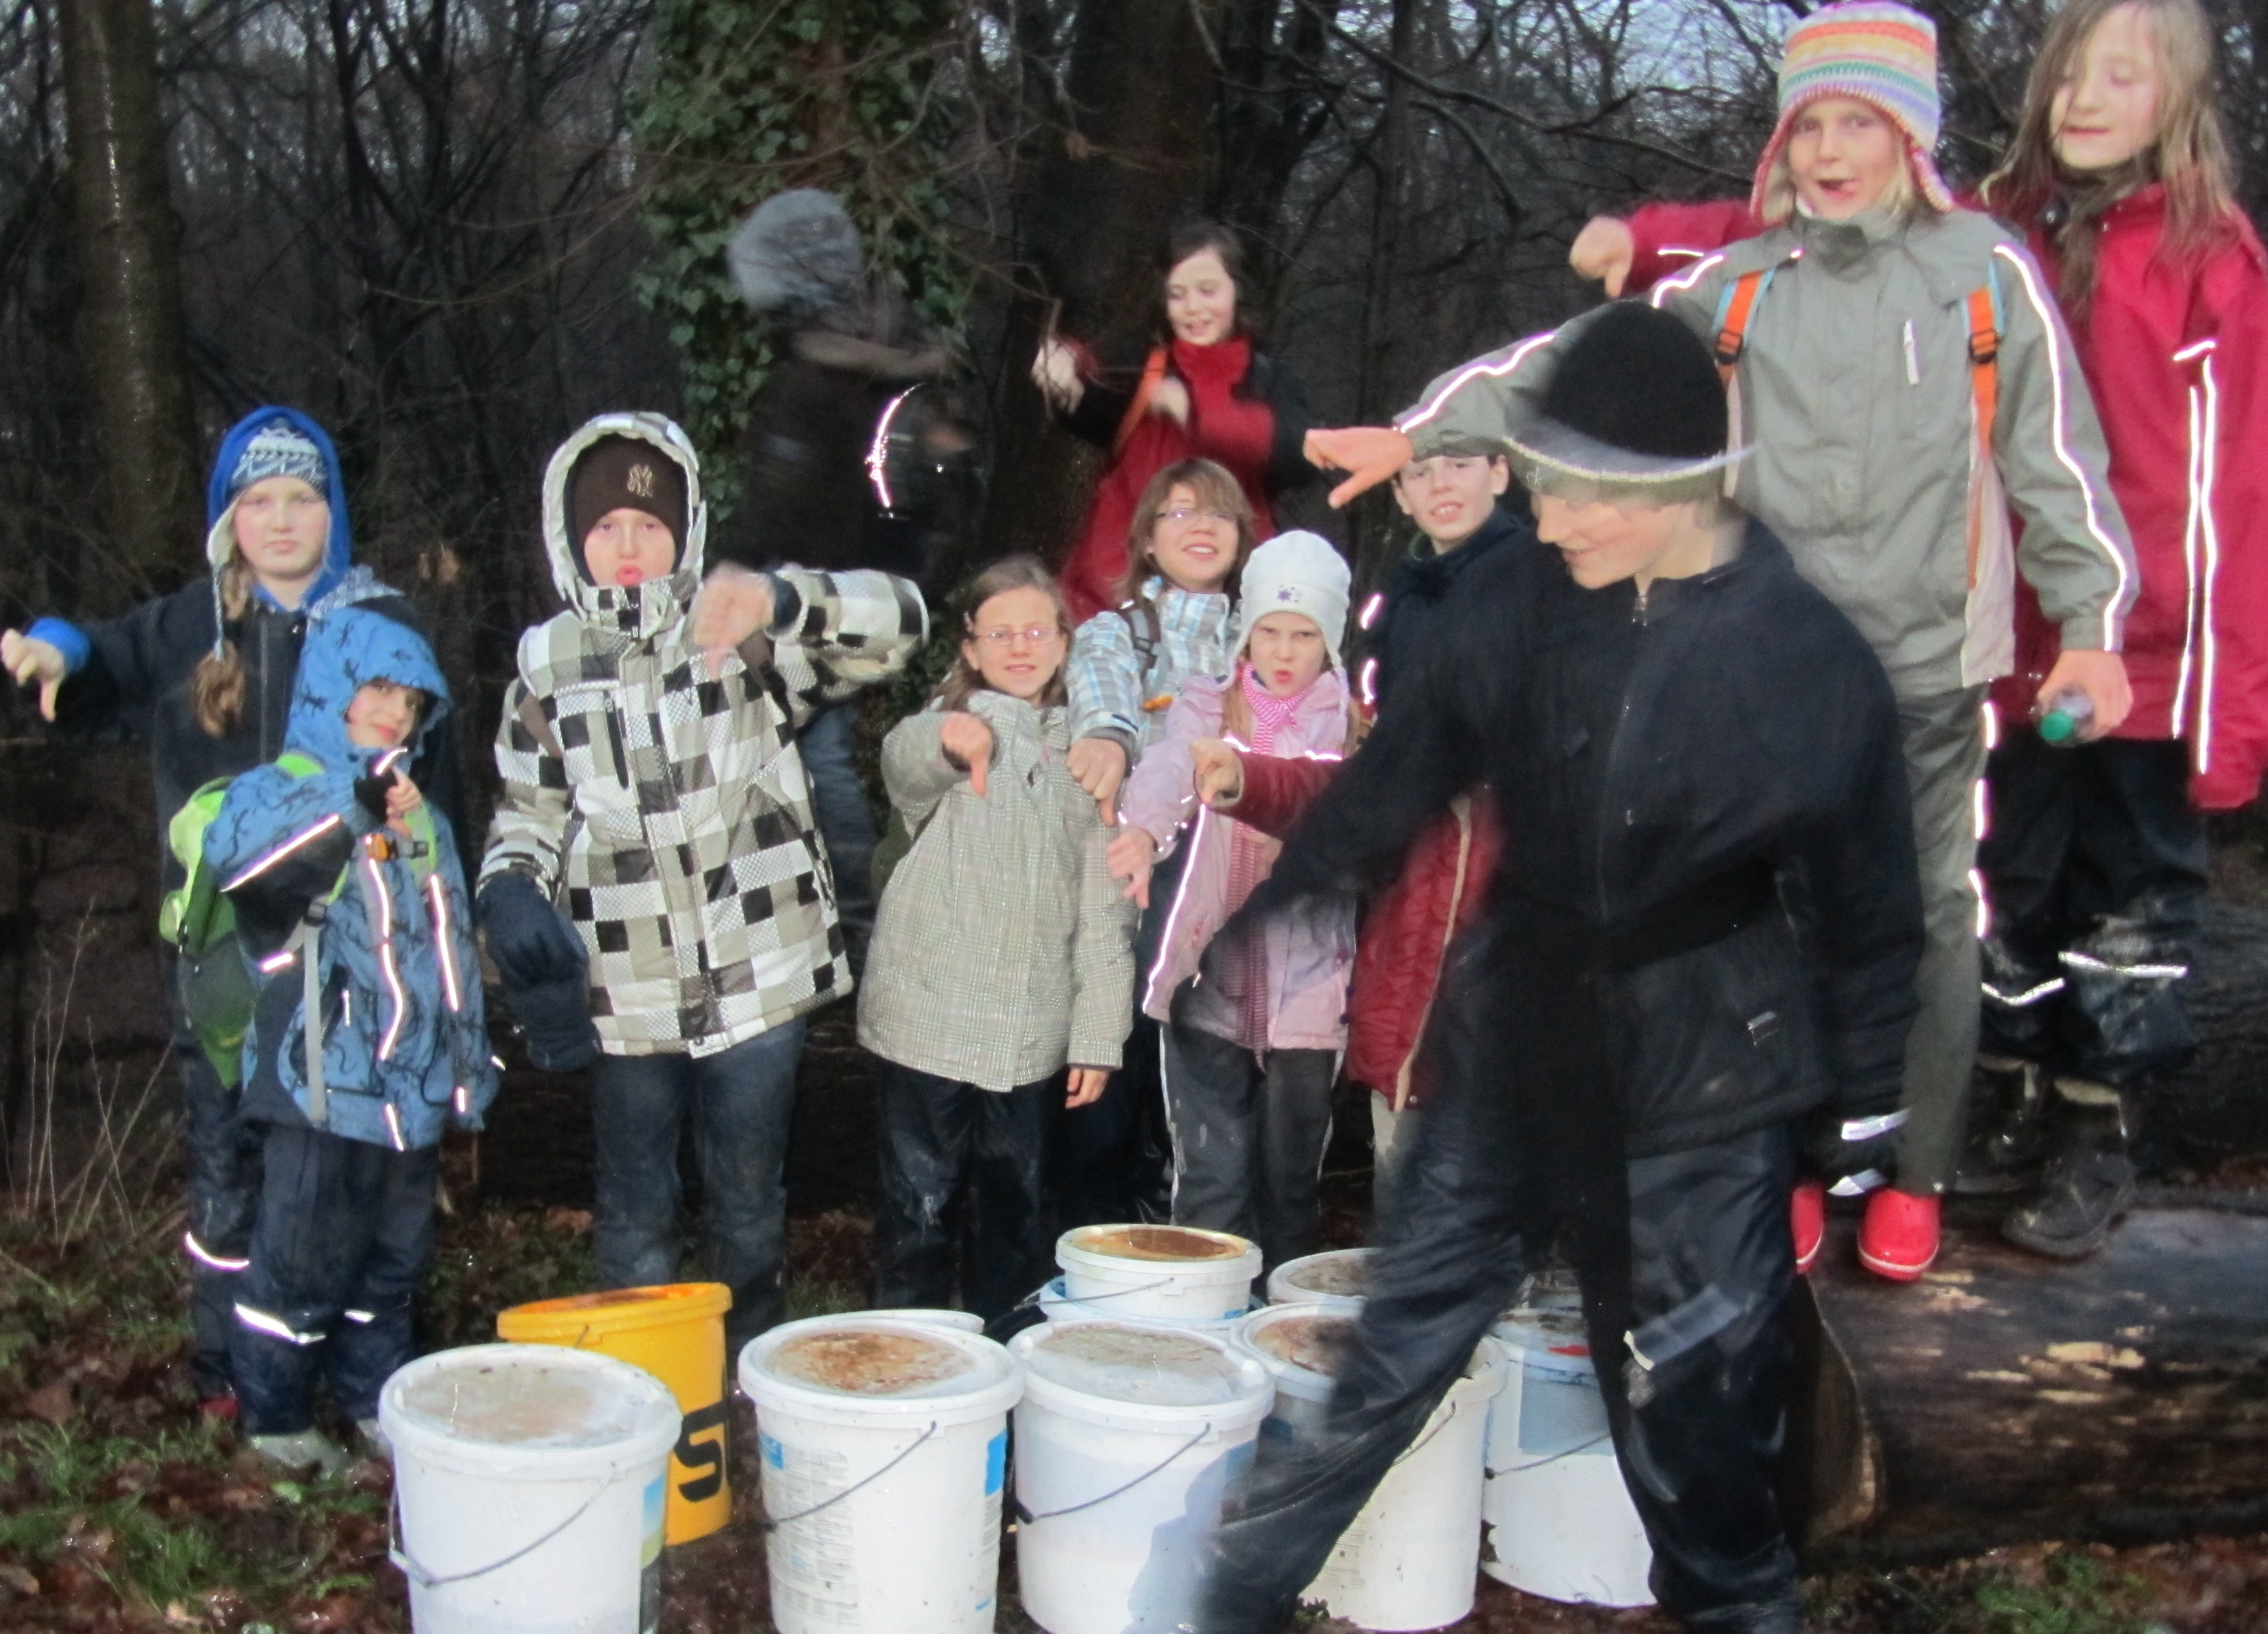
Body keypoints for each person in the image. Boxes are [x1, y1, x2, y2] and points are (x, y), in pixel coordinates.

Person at [1316, 1, 2138, 1282]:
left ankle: (1911, 1168)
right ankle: (1792, 1166)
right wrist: (1426, 431)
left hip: (1923, 676)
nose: (1827, 150)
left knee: (1925, 920)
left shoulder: (1982, 272)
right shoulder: (1744, 284)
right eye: (1808, 123)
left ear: (1908, 138)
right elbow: (1578, 363)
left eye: (1857, 121)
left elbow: (2056, 465)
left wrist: (2089, 625)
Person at [1194, 302, 1923, 1634]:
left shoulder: (1804, 657)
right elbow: (1399, 768)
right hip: (1518, 1039)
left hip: (1700, 1083)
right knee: (1384, 1360)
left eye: (1583, 496)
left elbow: (1873, 907)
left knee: (1688, 1429)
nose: (1552, 519)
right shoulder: (1519, 598)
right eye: (1546, 487)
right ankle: (1220, 1604)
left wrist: (1858, 1108)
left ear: (1677, 491)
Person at [1568, 0, 2268, 1263]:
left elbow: (2195, 489)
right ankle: (1876, 1132)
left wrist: (2207, 685)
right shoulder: (2011, 220)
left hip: (2101, 644)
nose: (2092, 97)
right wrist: (1648, 237)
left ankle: (2026, 1139)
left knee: (2062, 911)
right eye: (2074, 75)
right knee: (1902, 898)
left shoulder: (2190, 259)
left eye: (2129, 74)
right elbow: (1772, 240)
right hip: (1915, 647)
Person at [0, 409, 444, 1417]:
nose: (282, 520)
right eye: (258, 502)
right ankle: (227, 1375)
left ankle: (355, 1374)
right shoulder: (184, 630)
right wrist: (54, 652)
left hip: (355, 959)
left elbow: (440, 790)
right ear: (228, 521)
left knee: (361, 1168)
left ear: (333, 510)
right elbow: (91, 651)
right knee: (230, 1170)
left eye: (302, 498)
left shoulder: (386, 629)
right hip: (220, 969)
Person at [477, 413, 923, 1367]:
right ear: (570, 540)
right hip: (624, 991)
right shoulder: (546, 664)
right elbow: (526, 810)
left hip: (757, 974)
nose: (628, 546)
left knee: (746, 1198)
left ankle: (750, 1373)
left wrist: (779, 600)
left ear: (684, 529)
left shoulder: (737, 632)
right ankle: (648, 1382)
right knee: (635, 1202)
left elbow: (902, 624)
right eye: (605, 529)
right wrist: (509, 888)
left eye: (648, 524)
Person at [202, 606, 495, 1473]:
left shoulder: (425, 822)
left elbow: (452, 956)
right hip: (317, 1089)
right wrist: (350, 802)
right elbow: (243, 867)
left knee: (390, 1266)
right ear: (332, 692)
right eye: (376, 691)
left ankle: (374, 1402)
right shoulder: (276, 791)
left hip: (407, 1094)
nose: (393, 715)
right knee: (297, 1264)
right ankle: (275, 1420)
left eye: (410, 702)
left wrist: (468, 1070)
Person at [1202, 448, 1517, 1198]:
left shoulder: (1551, 590)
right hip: (1404, 983)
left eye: (1461, 462)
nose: (1440, 483)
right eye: (1419, 470)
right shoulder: (1404, 609)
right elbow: (1354, 789)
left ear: (1501, 472)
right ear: (1399, 493)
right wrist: (1247, 778)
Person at [858, 557, 1135, 1319]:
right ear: (971, 648)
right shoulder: (946, 735)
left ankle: (1003, 1375)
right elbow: (903, 763)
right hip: (924, 1025)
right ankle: (907, 1365)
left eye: (1036, 630)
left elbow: (1106, 911)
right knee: (918, 1212)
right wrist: (953, 739)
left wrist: (1097, 1037)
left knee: (1014, 1219)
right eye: (999, 632)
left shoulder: (1088, 759)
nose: (1019, 646)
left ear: (1063, 642)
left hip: (1030, 1036)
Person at [713, 189, 975, 970]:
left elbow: (778, 498)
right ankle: (851, 919)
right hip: (880, 588)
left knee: (812, 754)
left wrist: (727, 570)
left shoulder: (813, 378)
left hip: (813, 594)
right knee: (819, 752)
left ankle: (856, 924)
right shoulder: (891, 352)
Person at [1110, 531, 1357, 1268]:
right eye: (1270, 631)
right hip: (1205, 975)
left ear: (1330, 641)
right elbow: (1165, 772)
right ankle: (1203, 1334)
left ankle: (1278, 1331)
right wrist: (1142, 830)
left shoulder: (1351, 724)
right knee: (1209, 1179)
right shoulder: (1205, 703)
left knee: (1287, 1185)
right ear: (1246, 632)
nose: (1283, 652)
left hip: (1310, 986)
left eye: (1304, 635)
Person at [1052, 458, 1255, 1225]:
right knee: (1112, 1096)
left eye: (1218, 515)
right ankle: (1094, 1264)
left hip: (1236, 902)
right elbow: (1107, 715)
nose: (1200, 528)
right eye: (1178, 514)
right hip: (1128, 899)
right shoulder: (1116, 633)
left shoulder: (1263, 636)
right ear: (1145, 539)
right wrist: (1107, 741)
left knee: (1213, 1110)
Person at [1034, 222, 1313, 621]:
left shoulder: (1269, 380)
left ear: (1238, 291)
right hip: (1112, 598)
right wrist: (1064, 377)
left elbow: (1298, 457)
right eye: (1177, 295)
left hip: (1226, 605)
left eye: (1208, 290)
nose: (1194, 308)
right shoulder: (1142, 364)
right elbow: (1093, 403)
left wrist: (1199, 416)